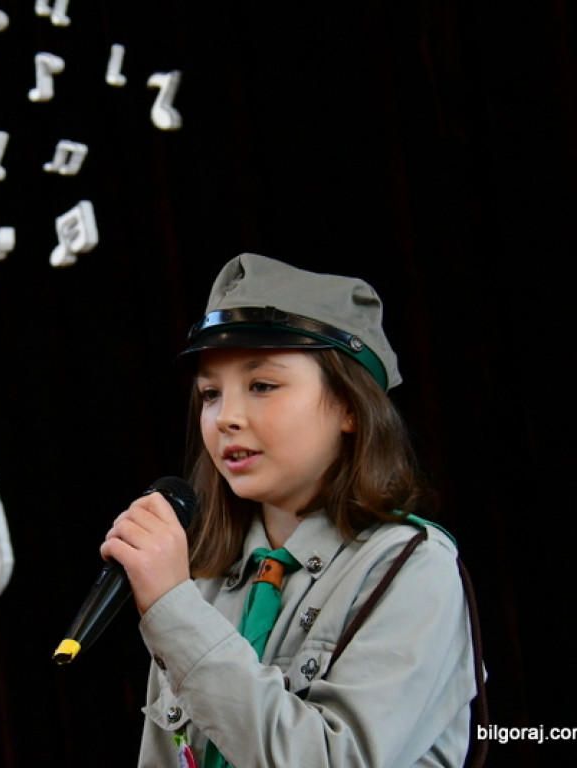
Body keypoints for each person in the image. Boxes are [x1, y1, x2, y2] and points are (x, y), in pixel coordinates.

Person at [100, 254, 479, 768]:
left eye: (262, 386)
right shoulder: (203, 581)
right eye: (211, 393)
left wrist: (176, 612)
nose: (225, 417)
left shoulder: (411, 567)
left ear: (349, 405)